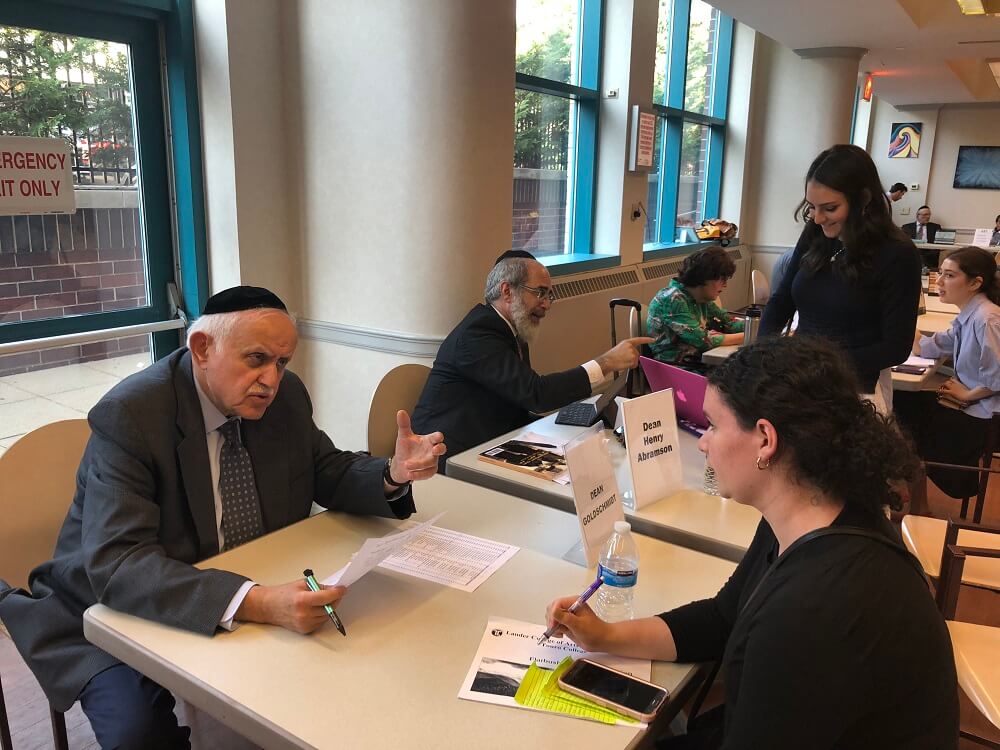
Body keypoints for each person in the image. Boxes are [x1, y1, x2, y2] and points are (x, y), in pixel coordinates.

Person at [0, 286, 446, 749]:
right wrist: (256, 602)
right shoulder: (132, 414)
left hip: (242, 573)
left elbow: (324, 471)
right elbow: (118, 563)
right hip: (107, 605)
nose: (271, 380)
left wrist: (393, 474)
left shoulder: (284, 396)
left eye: (282, 362)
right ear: (202, 349)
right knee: (138, 735)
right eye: (256, 359)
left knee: (348, 676)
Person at [545, 336, 959, 750]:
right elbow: (723, 618)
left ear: (765, 439)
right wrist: (606, 636)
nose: (703, 442)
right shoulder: (813, 513)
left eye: (713, 424)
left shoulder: (815, 611)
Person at [411, 250, 650, 469]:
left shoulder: (512, 330)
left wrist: (559, 426)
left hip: (491, 439)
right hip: (445, 454)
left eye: (549, 295)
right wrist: (606, 362)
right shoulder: (478, 334)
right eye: (540, 293)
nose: (546, 304)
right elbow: (536, 394)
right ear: (507, 291)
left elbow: (520, 399)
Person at [759, 144, 921, 411]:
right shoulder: (816, 233)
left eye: (830, 208)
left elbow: (895, 347)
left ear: (864, 199)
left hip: (856, 391)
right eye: (812, 207)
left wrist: (815, 364)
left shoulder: (897, 253)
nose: (818, 218)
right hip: (803, 382)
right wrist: (764, 353)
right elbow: (782, 300)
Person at [896, 246, 1000, 513]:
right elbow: (929, 347)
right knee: (904, 406)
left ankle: (912, 499)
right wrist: (901, 318)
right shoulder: (969, 315)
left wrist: (967, 394)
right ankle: (917, 504)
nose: (939, 282)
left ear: (976, 283)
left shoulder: (986, 318)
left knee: (905, 421)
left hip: (984, 416)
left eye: (949, 276)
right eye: (940, 273)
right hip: (970, 406)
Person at [646, 246, 745, 369]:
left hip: (694, 361)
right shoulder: (672, 299)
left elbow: (727, 322)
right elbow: (703, 340)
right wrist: (749, 335)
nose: (725, 285)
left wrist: (759, 326)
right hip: (675, 368)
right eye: (721, 279)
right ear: (705, 277)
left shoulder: (700, 298)